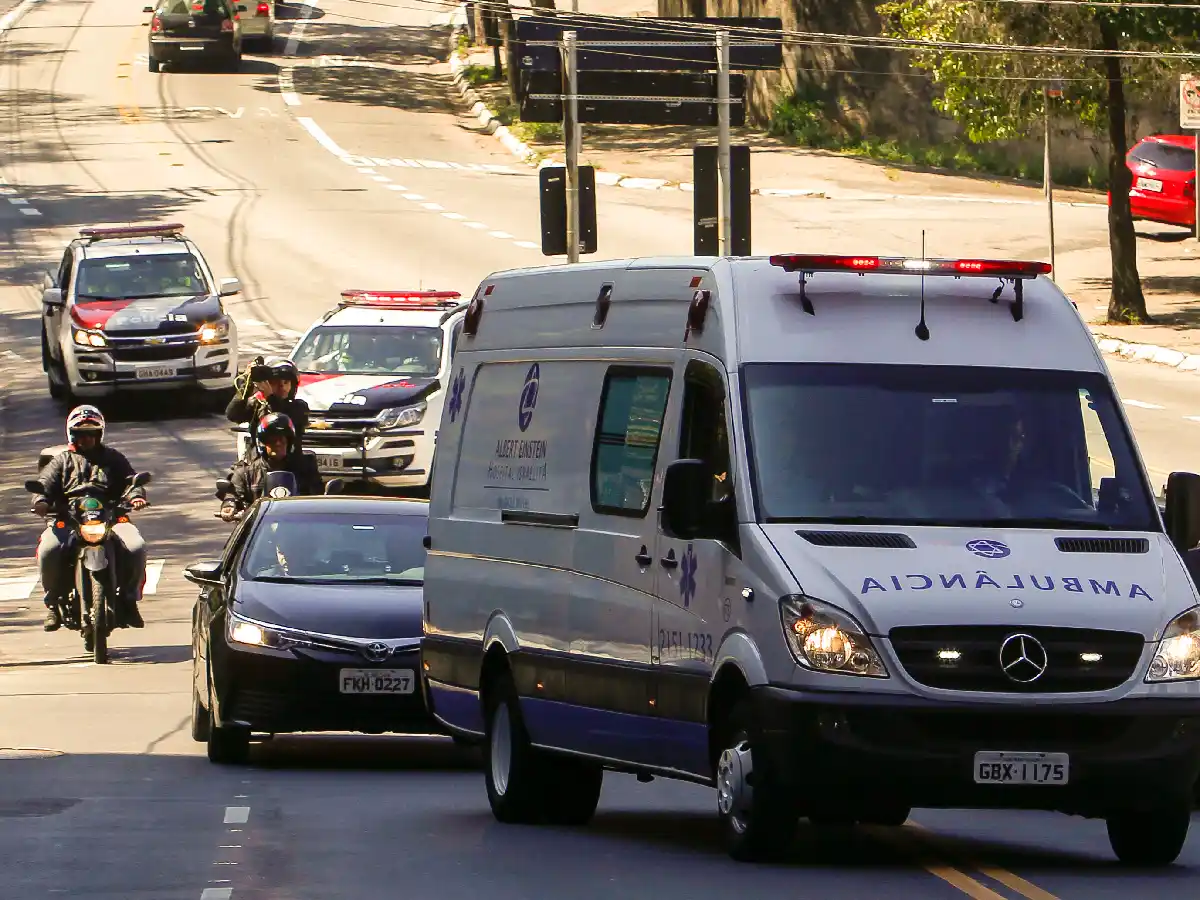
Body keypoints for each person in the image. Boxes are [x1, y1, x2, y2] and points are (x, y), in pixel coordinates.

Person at [31, 405, 148, 632]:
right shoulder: (61, 461)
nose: (86, 439)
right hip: (69, 519)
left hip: (111, 518)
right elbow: (44, 485)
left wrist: (136, 497)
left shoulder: (113, 458)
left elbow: (130, 481)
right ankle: (53, 604)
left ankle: (129, 600)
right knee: (48, 549)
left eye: (91, 434)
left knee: (136, 546)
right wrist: (41, 502)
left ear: (99, 434)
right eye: (81, 434)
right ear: (71, 435)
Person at [219, 413, 323, 521]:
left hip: (298, 526)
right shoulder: (246, 472)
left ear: (289, 442)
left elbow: (318, 495)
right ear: (263, 443)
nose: (278, 444)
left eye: (282, 439)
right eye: (273, 440)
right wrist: (229, 505)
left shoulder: (304, 469)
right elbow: (233, 494)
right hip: (259, 529)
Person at [226, 357, 309, 459]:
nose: (281, 386)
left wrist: (270, 397)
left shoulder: (299, 407)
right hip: (259, 465)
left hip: (290, 466)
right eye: (275, 382)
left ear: (293, 386)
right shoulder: (257, 405)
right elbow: (232, 414)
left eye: (286, 382)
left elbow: (283, 418)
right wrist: (246, 387)